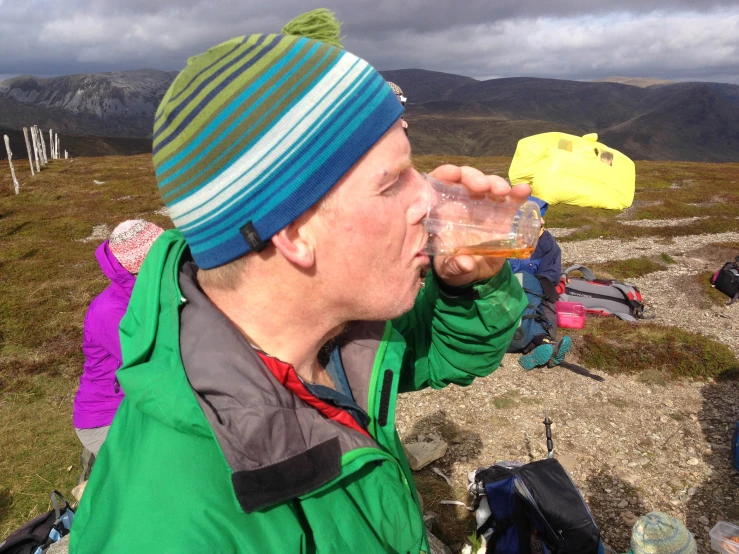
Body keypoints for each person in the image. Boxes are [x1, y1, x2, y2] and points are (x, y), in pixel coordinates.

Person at [70, 10, 529, 554]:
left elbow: (450, 354)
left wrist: (462, 284)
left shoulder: (333, 337)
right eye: (392, 184)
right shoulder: (172, 531)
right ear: (293, 233)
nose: (429, 197)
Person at [72, 220, 164, 456]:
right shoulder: (109, 311)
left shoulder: (153, 292)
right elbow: (151, 360)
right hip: (107, 415)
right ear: (144, 266)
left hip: (140, 403)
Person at [507, 197, 571, 370]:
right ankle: (542, 344)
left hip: (535, 291)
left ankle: (545, 343)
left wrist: (534, 284)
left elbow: (551, 274)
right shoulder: (503, 240)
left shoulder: (547, 243)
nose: (543, 221)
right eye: (538, 217)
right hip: (505, 291)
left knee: (545, 307)